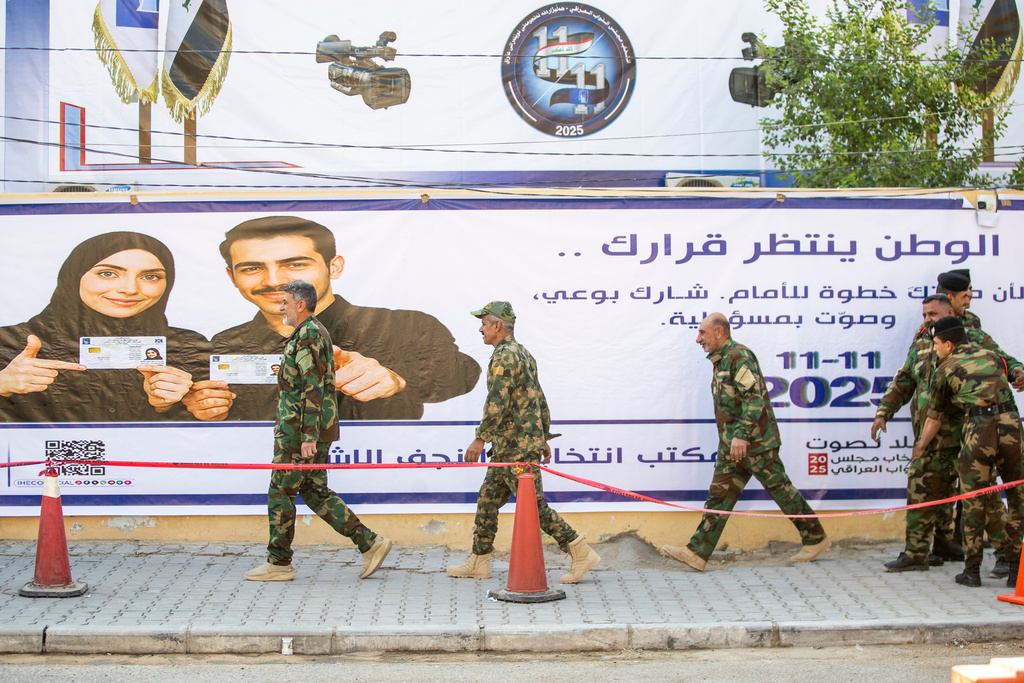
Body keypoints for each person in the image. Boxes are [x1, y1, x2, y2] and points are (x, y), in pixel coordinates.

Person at [183, 215, 480, 421]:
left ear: (334, 267)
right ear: (232, 276)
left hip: (374, 472)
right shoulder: (225, 343)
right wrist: (202, 407)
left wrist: (398, 377)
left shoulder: (405, 325)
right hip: (270, 479)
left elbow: (463, 372)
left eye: (294, 264)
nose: (273, 281)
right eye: (251, 268)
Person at [244, 280, 392, 582]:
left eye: (285, 302)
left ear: (300, 305)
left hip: (298, 432)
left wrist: (307, 437)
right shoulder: (312, 332)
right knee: (314, 491)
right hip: (307, 429)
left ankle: (278, 564)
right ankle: (370, 543)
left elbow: (311, 387)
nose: (281, 307)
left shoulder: (308, 334)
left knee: (281, 491)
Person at [446, 301, 600, 584]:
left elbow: (498, 401)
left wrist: (480, 438)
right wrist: (542, 436)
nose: (480, 329)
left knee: (534, 506)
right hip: (511, 446)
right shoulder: (522, 353)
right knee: (487, 501)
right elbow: (537, 397)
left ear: (497, 325)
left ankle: (579, 550)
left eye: (483, 323)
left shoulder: (505, 356)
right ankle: (479, 561)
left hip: (515, 448)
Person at [662, 313, 830, 571]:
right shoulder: (721, 360)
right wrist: (733, 439)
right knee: (719, 496)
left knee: (781, 490)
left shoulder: (738, 357)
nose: (698, 339)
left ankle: (816, 538)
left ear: (719, 332)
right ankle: (696, 553)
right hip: (732, 445)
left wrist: (741, 435)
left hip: (755, 443)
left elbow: (754, 399)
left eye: (702, 333)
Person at [0, 231, 205, 422]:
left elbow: (205, 436)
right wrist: (2, 385)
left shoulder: (188, 346)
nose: (129, 289)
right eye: (107, 273)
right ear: (74, 276)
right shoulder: (11, 340)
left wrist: (165, 406)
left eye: (150, 277)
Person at [914, 316, 1024, 588]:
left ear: (949, 344)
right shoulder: (993, 356)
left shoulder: (944, 368)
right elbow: (1016, 375)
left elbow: (933, 419)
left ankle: (972, 571)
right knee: (1017, 496)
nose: (935, 349)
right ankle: (1016, 570)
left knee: (974, 499)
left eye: (936, 344)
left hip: (979, 427)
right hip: (1011, 423)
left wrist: (921, 446)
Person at [872, 294, 967, 571]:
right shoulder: (921, 343)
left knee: (981, 498)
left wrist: (1017, 372)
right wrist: (883, 412)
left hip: (964, 436)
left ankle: (1007, 559)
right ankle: (918, 553)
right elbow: (904, 381)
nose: (927, 320)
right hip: (930, 437)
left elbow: (999, 363)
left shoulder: (971, 339)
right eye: (924, 315)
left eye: (933, 314)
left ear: (949, 313)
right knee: (922, 490)